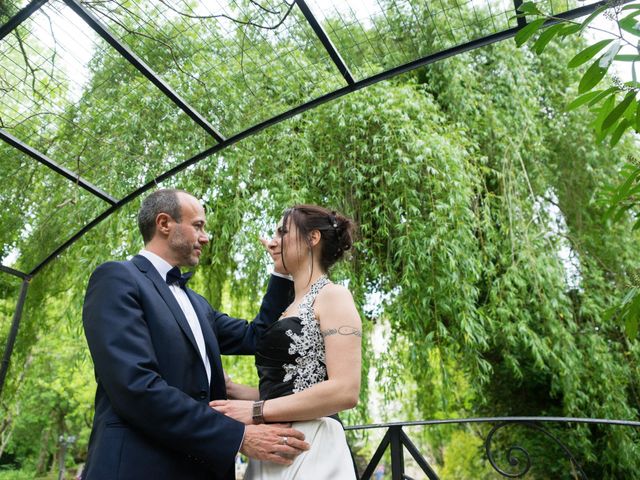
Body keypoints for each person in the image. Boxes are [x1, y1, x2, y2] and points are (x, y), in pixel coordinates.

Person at [81, 189, 309, 480]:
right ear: (164, 224)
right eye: (198, 226)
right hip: (138, 466)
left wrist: (280, 273)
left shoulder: (198, 304)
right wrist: (239, 437)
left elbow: (258, 337)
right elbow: (136, 387)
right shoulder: (116, 279)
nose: (206, 237)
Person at [210, 205, 362, 480]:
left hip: (311, 445)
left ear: (312, 238)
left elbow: (345, 391)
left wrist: (255, 411)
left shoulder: (334, 296)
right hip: (271, 446)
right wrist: (230, 389)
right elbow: (289, 388)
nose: (273, 241)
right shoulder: (287, 308)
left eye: (283, 232)